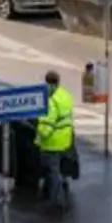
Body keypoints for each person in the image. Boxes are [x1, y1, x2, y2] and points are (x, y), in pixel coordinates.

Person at [36, 69, 76, 211]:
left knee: (52, 171)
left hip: (52, 141)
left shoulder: (51, 100)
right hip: (65, 138)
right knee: (59, 167)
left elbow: (47, 124)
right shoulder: (65, 95)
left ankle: (54, 200)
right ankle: (62, 189)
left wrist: (40, 134)